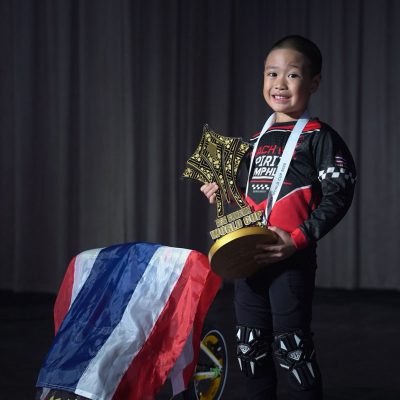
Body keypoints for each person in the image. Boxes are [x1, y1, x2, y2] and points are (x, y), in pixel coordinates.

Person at [200, 35, 356, 400]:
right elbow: (258, 203)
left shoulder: (319, 138)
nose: (280, 83)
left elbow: (339, 195)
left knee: (293, 350)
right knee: (249, 348)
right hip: (251, 261)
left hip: (291, 261)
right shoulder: (257, 139)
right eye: (272, 73)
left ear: (313, 82)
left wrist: (298, 238)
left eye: (292, 75)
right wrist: (226, 193)